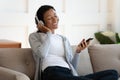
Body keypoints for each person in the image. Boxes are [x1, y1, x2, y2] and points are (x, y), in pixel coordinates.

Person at [29, 5, 119, 80]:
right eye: (49, 18)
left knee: (113, 73)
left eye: (55, 16)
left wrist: (78, 52)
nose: (55, 19)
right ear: (41, 22)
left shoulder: (63, 39)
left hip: (68, 74)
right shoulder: (35, 37)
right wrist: (48, 33)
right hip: (52, 73)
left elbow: (73, 68)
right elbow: (42, 54)